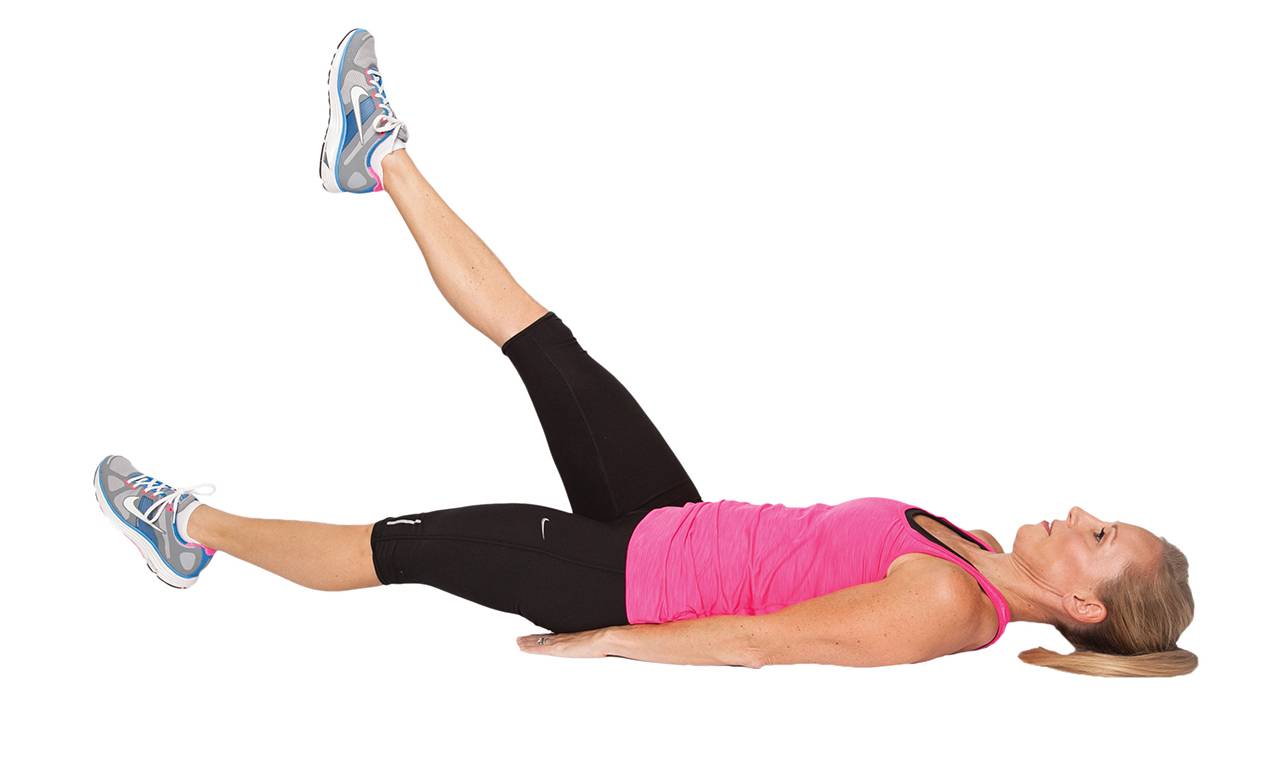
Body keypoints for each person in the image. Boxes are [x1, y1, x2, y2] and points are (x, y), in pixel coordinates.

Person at [93, 29, 1197, 677]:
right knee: (546, 343)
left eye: (1100, 537)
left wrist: (612, 641)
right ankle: (374, 160)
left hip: (627, 580)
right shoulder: (975, 547)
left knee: (402, 545)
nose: (1080, 513)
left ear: (1084, 609)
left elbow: (765, 643)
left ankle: (188, 530)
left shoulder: (954, 607)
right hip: (673, 525)